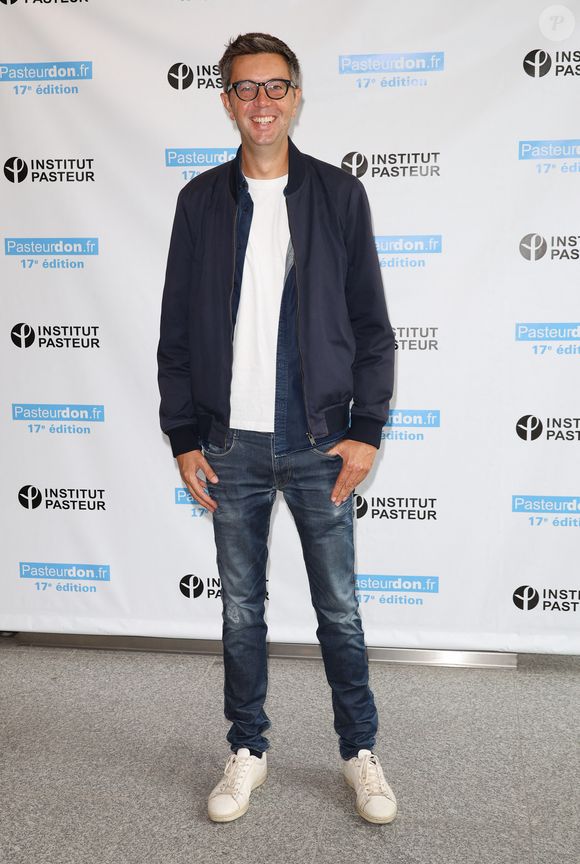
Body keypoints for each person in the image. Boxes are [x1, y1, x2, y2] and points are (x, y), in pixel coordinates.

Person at [157, 32, 397, 825]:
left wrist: (367, 428)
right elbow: (178, 337)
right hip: (230, 445)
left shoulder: (337, 196)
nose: (262, 102)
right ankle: (248, 750)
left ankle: (359, 752)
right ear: (226, 100)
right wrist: (184, 437)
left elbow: (372, 327)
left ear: (297, 97)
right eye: (246, 88)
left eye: (276, 86)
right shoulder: (199, 202)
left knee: (340, 610)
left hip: (322, 440)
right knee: (241, 610)